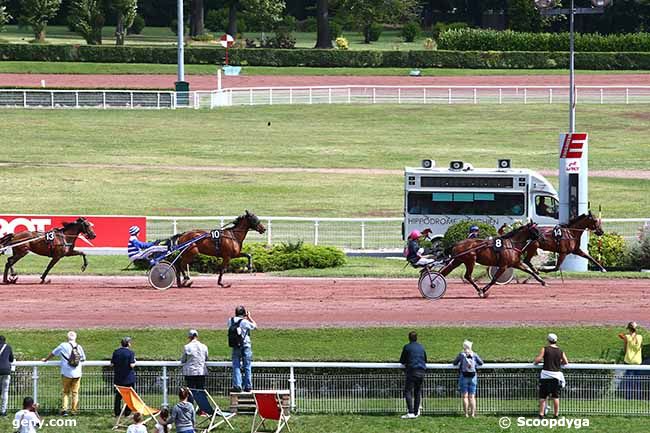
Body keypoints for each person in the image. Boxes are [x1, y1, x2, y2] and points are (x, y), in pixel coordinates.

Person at [42, 331, 86, 416]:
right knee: (75, 392)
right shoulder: (79, 346)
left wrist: (46, 359)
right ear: (75, 338)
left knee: (66, 392)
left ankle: (64, 410)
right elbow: (83, 358)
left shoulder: (63, 345)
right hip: (77, 373)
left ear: (67, 338)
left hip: (66, 373)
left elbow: (53, 353)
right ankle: (74, 410)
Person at [534, 333, 569, 419]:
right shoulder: (560, 351)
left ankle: (541, 414)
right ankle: (556, 414)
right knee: (555, 396)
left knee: (543, 396)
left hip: (545, 376)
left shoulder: (545, 349)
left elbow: (538, 360)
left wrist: (536, 361)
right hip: (555, 377)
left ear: (548, 340)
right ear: (556, 340)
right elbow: (566, 362)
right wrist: (558, 362)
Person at [228, 306, 257, 392]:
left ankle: (237, 385)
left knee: (236, 366)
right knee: (247, 366)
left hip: (235, 345)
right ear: (243, 313)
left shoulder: (230, 320)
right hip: (245, 345)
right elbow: (255, 326)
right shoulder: (244, 322)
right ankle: (247, 386)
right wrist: (249, 317)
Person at [399, 331, 427, 419]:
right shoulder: (421, 347)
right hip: (421, 371)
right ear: (417, 338)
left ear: (409, 338)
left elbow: (402, 360)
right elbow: (425, 359)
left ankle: (411, 412)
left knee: (408, 391)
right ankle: (416, 412)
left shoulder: (407, 347)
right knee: (417, 391)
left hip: (412, 371)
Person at [452, 340, 484, 418]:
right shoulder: (474, 355)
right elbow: (481, 363)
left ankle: (466, 414)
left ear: (464, 346)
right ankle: (472, 414)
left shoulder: (461, 354)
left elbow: (454, 363)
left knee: (465, 396)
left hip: (464, 376)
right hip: (473, 377)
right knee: (472, 396)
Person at [111, 337, 137, 417]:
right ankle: (127, 412)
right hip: (128, 379)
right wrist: (135, 362)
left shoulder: (116, 352)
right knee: (129, 396)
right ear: (128, 344)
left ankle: (117, 412)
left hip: (118, 378)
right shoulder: (130, 353)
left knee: (118, 397)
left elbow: (112, 364)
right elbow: (131, 365)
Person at [181, 329, 208, 402]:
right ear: (197, 336)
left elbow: (183, 360)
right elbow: (206, 358)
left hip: (190, 372)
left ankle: (190, 407)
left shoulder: (187, 347)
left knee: (190, 390)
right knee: (201, 390)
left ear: (189, 337)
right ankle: (202, 409)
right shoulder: (204, 346)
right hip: (201, 371)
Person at [0, 335, 14, 417]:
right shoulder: (8, 347)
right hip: (6, 371)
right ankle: (3, 411)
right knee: (5, 392)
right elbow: (11, 359)